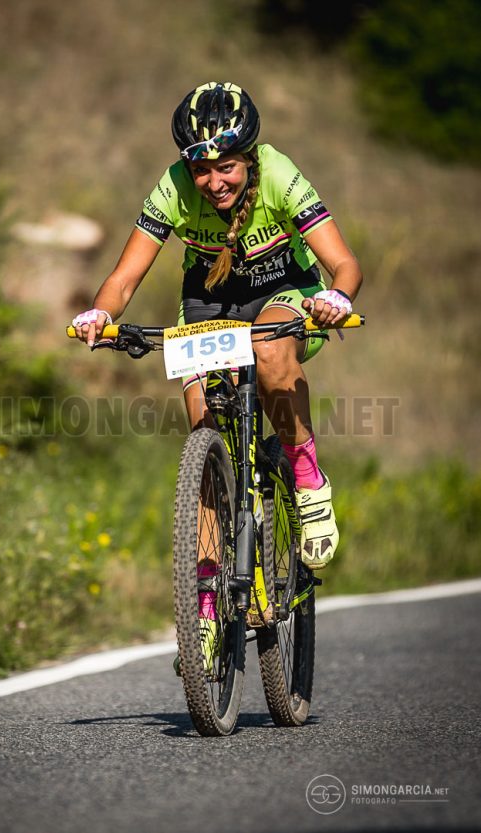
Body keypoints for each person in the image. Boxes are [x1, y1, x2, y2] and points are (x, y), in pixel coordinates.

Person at [73, 81, 363, 571]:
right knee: (202, 421)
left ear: (248, 159)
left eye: (225, 167)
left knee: (267, 352)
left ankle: (307, 475)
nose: (213, 182)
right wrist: (100, 313)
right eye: (201, 170)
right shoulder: (173, 188)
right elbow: (123, 279)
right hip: (210, 300)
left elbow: (345, 264)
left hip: (286, 292)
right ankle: (204, 609)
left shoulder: (278, 173)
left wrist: (337, 297)